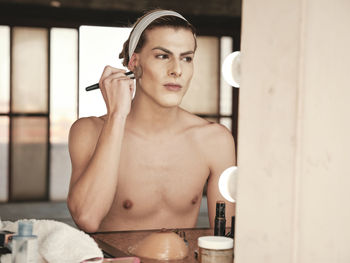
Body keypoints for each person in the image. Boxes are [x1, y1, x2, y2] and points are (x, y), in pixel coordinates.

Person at [67, 9, 236, 233]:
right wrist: (117, 117)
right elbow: (86, 218)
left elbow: (225, 238)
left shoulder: (215, 139)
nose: (176, 70)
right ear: (134, 63)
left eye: (186, 58)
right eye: (163, 56)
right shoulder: (88, 131)